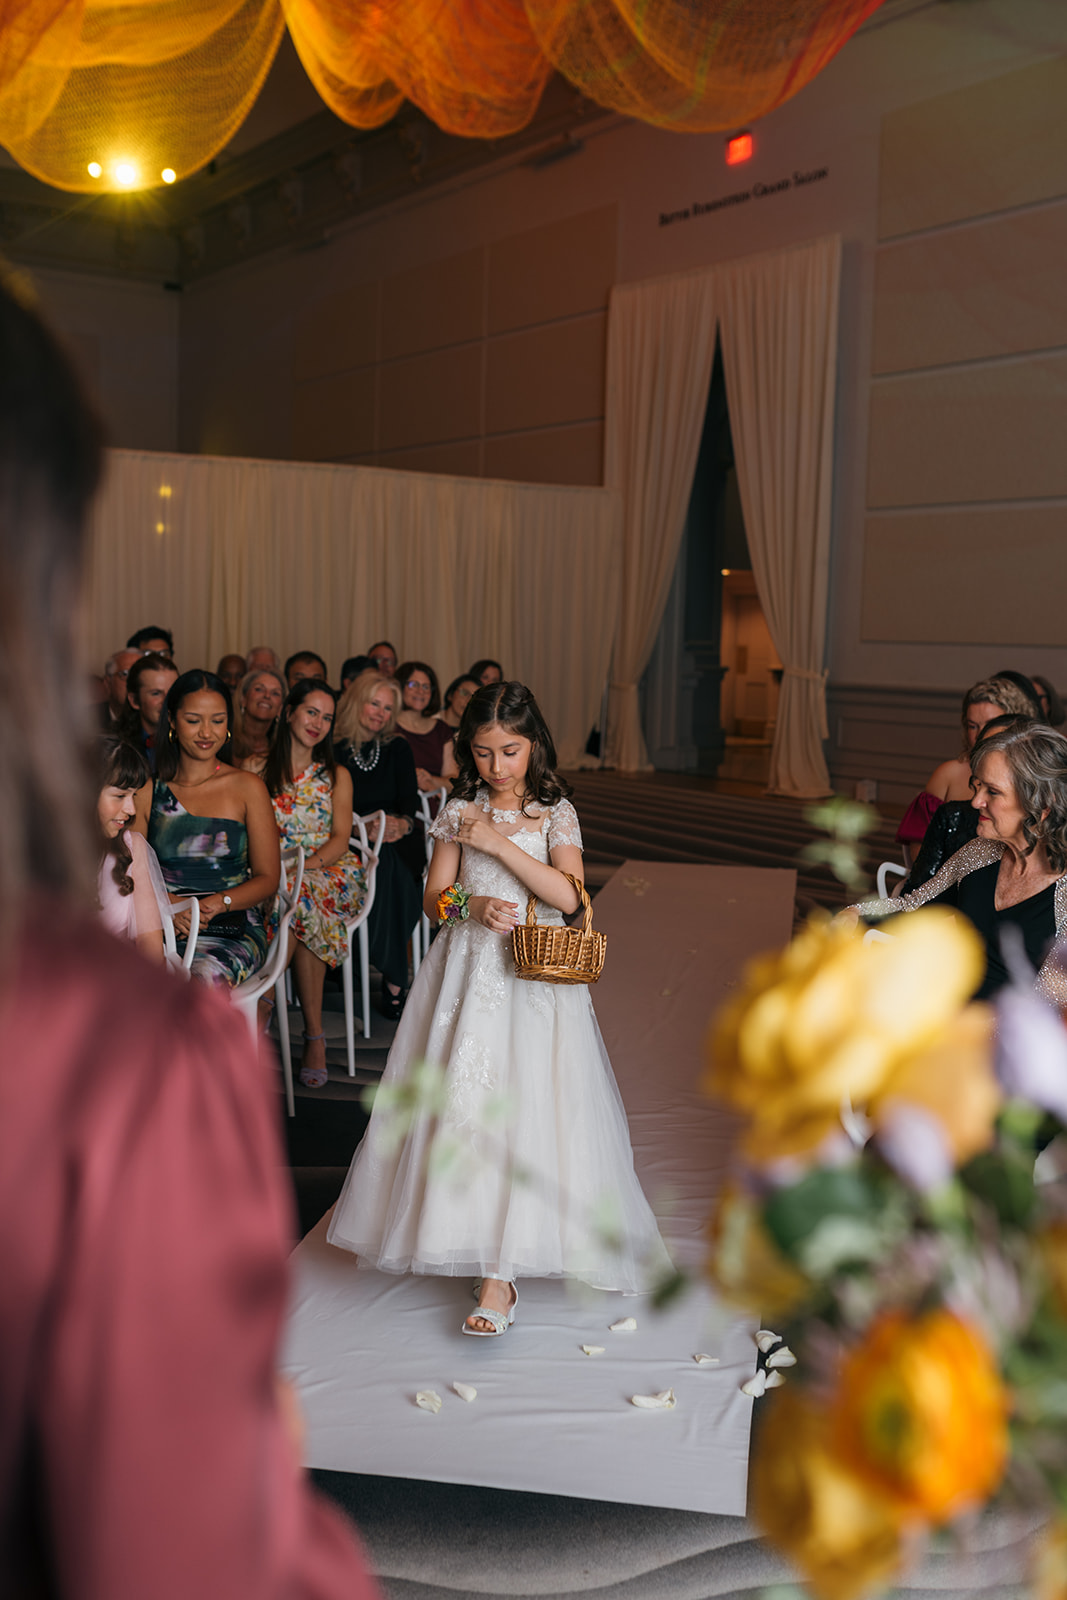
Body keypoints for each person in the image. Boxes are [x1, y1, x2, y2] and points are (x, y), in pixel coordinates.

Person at [0, 266, 376, 1599]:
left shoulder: (227, 797)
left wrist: (205, 905)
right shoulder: (114, 1060)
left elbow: (266, 878)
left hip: (217, 928)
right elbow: (184, 1557)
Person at [327, 681, 673, 1335]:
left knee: (532, 1101)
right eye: (483, 754)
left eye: (509, 752)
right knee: (466, 1102)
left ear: (533, 745)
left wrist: (498, 844)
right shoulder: (458, 809)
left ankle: (501, 1274)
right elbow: (435, 897)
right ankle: (482, 1251)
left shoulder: (554, 811)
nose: (497, 767)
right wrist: (470, 906)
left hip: (534, 977)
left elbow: (569, 897)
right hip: (468, 969)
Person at [850, 719, 1067, 1003]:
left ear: (1042, 805)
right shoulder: (980, 853)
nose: (975, 801)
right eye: (976, 786)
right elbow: (913, 906)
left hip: (1010, 1041)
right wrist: (856, 914)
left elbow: (1051, 1010)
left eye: (993, 791)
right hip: (943, 1014)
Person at [133, 670, 279, 988]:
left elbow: (269, 878)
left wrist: (217, 903)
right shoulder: (149, 790)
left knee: (197, 981)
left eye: (217, 720)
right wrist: (168, 904)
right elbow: (130, 869)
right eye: (193, 719)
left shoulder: (247, 786)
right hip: (163, 921)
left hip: (230, 926)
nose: (206, 732)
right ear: (171, 720)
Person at [264, 679, 367, 1089]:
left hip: (331, 870)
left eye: (327, 717)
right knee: (298, 904)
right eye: (311, 712)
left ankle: (265, 1001)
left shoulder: (335, 774)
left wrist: (303, 868)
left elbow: (341, 837)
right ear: (289, 712)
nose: (318, 723)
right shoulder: (256, 770)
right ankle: (313, 1035)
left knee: (300, 897)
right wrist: (277, 872)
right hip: (275, 871)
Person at [334, 670, 421, 1020]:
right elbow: (327, 804)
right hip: (347, 836)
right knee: (379, 864)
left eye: (387, 708)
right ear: (358, 701)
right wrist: (360, 825)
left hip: (396, 837)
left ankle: (367, 965)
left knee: (387, 863)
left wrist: (403, 823)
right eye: (374, 703)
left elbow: (409, 801)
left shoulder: (397, 747)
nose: (380, 714)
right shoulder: (333, 746)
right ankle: (396, 977)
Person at [895, 676, 1037, 860]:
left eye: (990, 724)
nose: (980, 735)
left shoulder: (1031, 776)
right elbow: (920, 854)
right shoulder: (948, 774)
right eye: (973, 726)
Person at [95, 735, 168, 962]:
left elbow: (150, 942)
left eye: (133, 795)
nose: (131, 809)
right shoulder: (49, 850)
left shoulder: (132, 847)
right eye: (119, 796)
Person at [395, 659, 455, 798]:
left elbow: (453, 782)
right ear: (400, 687)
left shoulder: (441, 729)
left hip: (434, 810)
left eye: (426, 687)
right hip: (396, 810)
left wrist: (429, 778)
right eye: (413, 685)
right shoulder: (387, 725)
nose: (420, 691)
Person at [120, 649, 178, 771]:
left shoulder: (191, 742)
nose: (167, 701)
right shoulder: (118, 746)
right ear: (134, 701)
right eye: (156, 693)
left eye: (172, 692)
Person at [234, 664, 286, 774]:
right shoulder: (225, 740)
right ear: (243, 699)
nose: (267, 696)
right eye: (259, 689)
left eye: (275, 693)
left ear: (281, 708)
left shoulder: (282, 749)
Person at [102, 646, 142, 725]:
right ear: (107, 684)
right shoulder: (89, 719)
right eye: (125, 674)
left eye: (139, 674)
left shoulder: (154, 719)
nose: (133, 681)